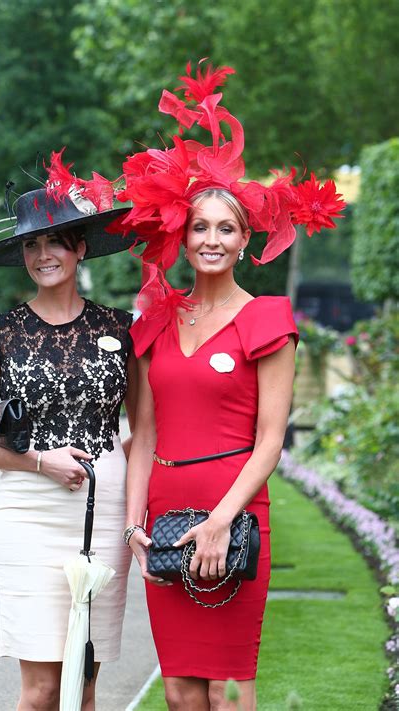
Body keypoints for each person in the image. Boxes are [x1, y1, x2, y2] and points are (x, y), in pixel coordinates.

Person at [116, 61, 345, 710]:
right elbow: (144, 433)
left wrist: (220, 521)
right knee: (182, 692)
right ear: (182, 238)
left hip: (235, 517)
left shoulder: (268, 320)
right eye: (200, 227)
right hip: (164, 516)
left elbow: (272, 440)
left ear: (246, 240)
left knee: (226, 687)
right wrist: (135, 525)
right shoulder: (155, 318)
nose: (211, 238)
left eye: (225, 228)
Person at [0, 151, 137, 711]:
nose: (43, 254)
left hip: (102, 512)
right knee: (41, 689)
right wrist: (39, 461)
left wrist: (126, 488)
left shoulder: (122, 329)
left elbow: (147, 430)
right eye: (31, 244)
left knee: (83, 682)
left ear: (80, 247)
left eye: (56, 241)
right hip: (29, 513)